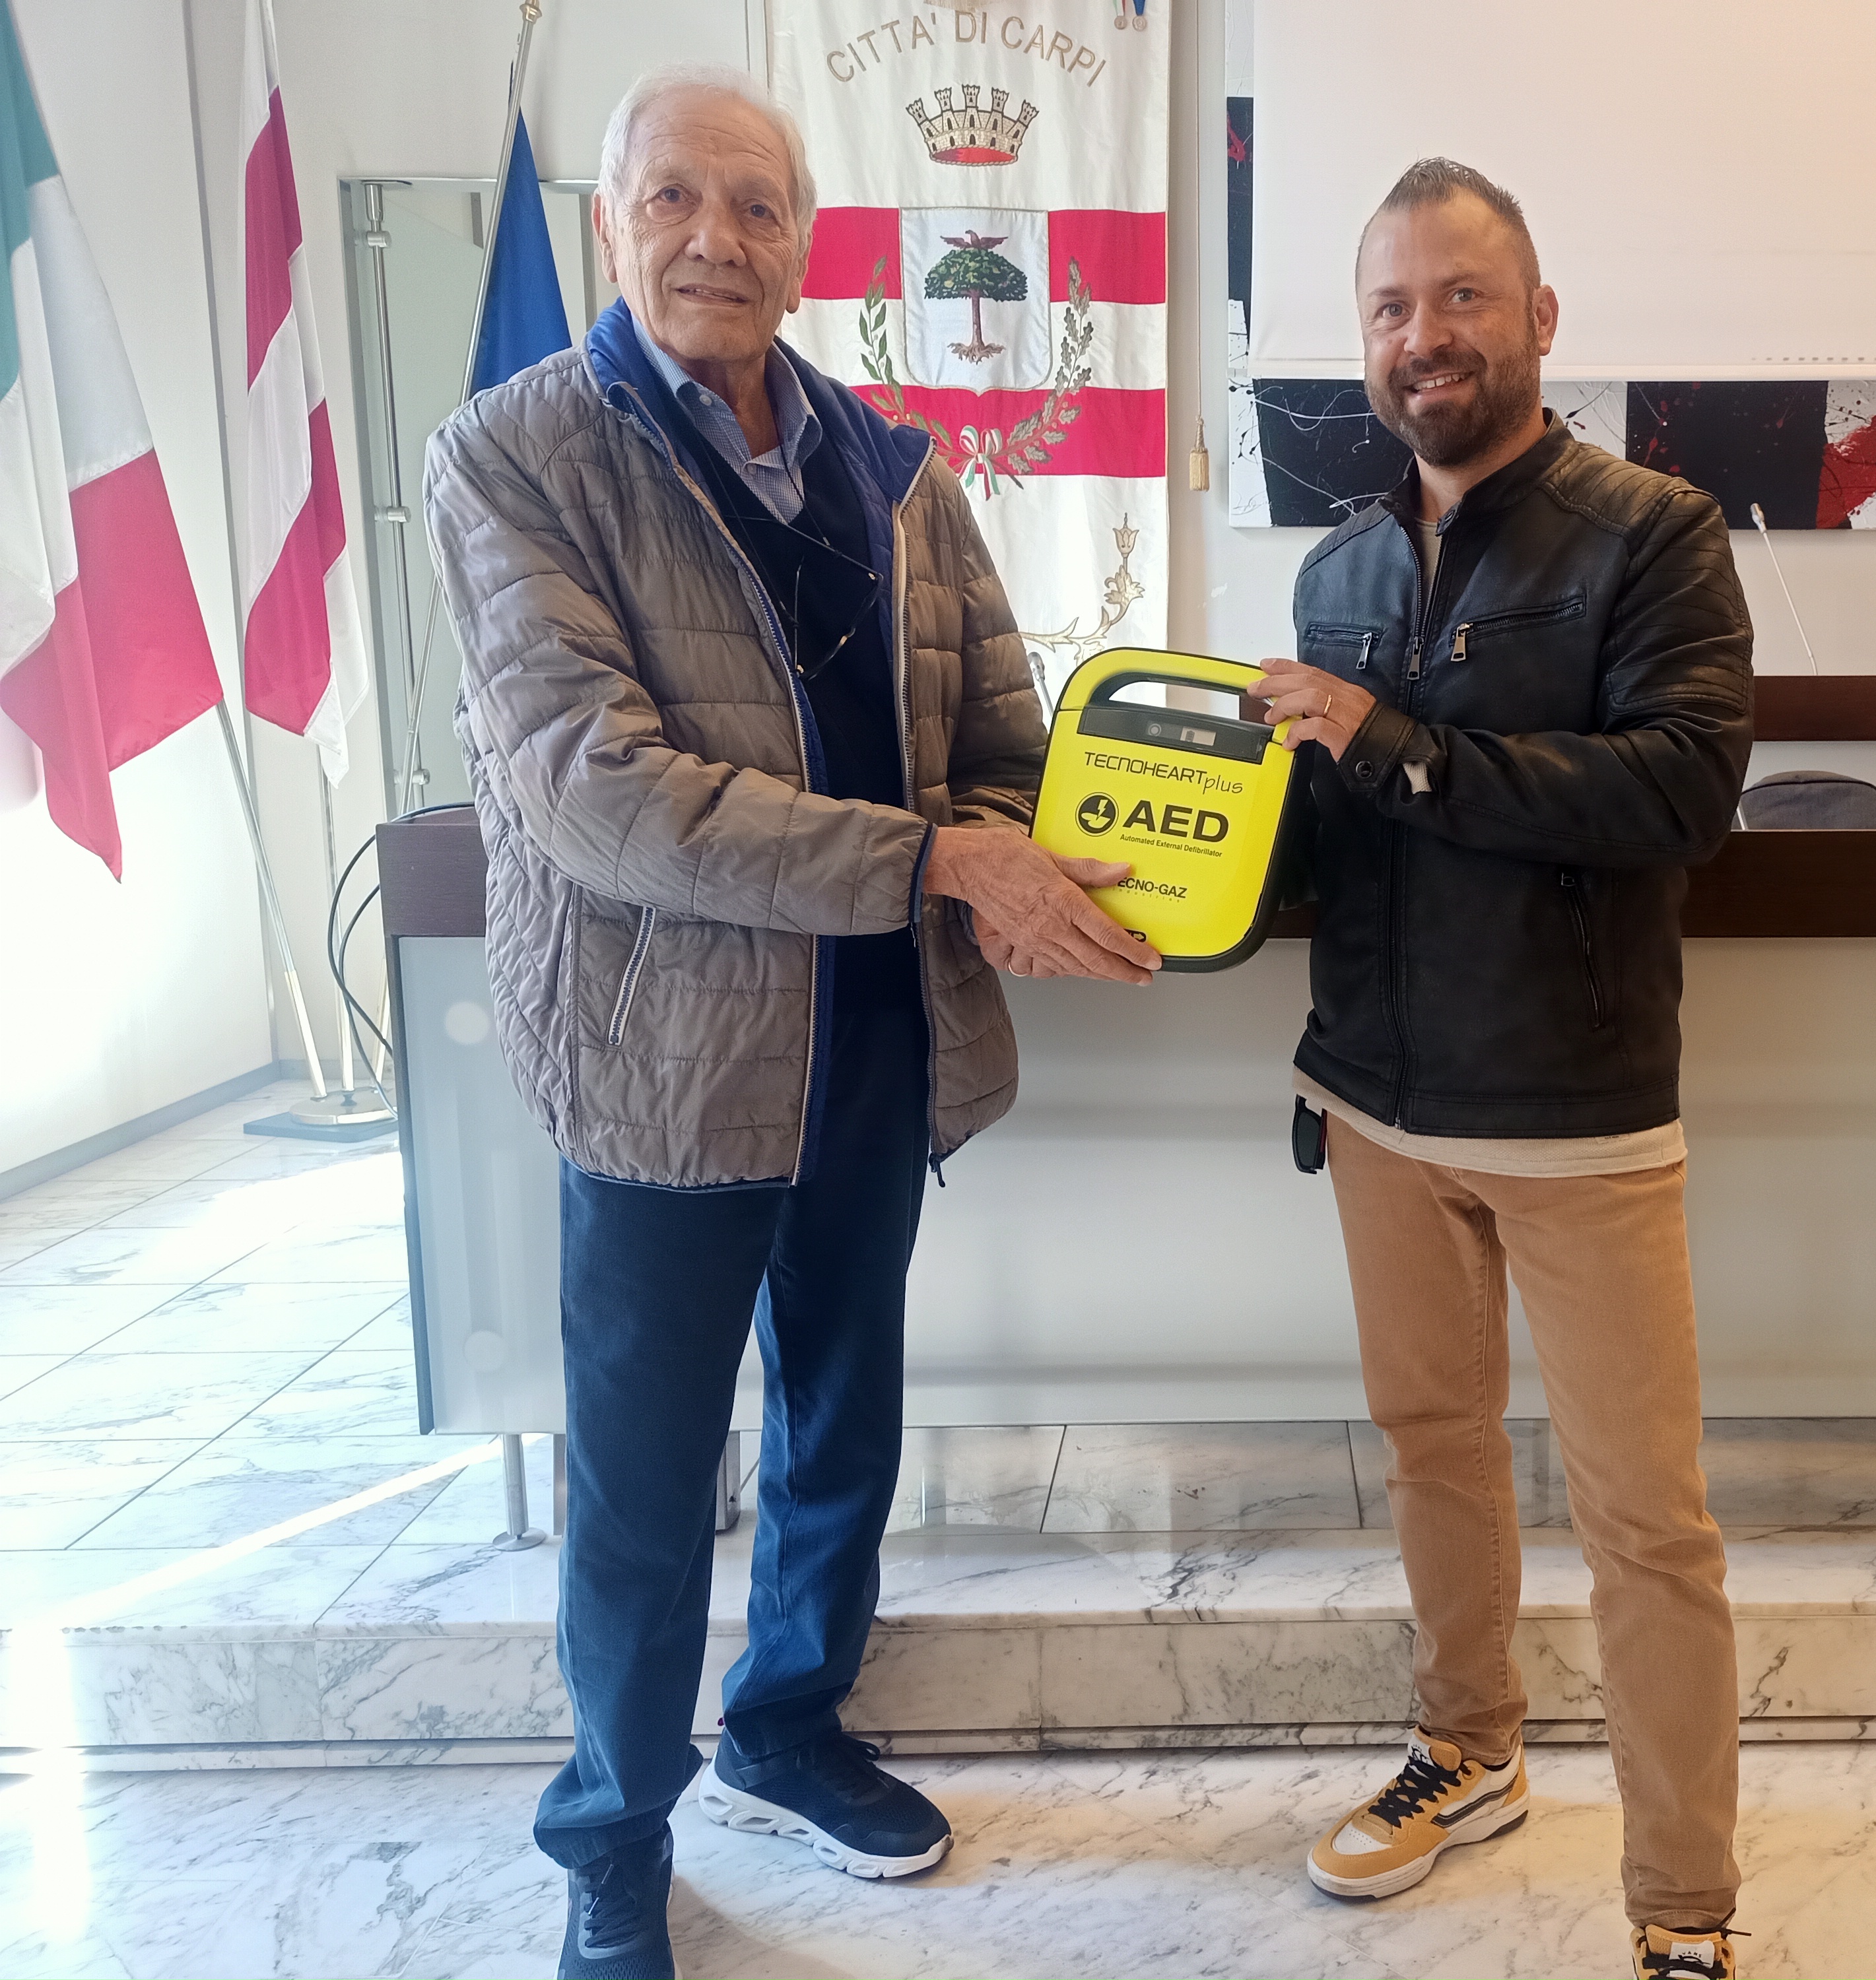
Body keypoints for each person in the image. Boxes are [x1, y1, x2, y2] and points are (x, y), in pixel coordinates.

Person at [425, 63, 1158, 1980]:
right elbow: (599, 792)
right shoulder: (514, 454)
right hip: (661, 1065)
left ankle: (788, 1723)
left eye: (756, 206)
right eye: (673, 197)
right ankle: (612, 1830)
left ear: (807, 244)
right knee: (647, 1482)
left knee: (844, 1427)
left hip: (878, 1040)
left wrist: (1011, 844)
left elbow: (1000, 738)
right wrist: (940, 860)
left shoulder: (899, 467)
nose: (715, 240)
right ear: (611, 222)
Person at [1253, 159, 1755, 1979]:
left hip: (1574, 1117)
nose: (1426, 336)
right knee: (1434, 1449)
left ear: (1540, 318)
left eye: (1461, 296)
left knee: (1647, 1526)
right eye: (1391, 307)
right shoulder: (1338, 568)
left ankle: (1683, 1903)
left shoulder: (1655, 535)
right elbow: (1333, 839)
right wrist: (1166, 861)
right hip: (1374, 1101)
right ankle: (1467, 1751)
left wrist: (1394, 745)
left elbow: (1680, 792)